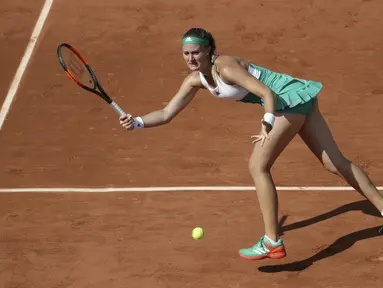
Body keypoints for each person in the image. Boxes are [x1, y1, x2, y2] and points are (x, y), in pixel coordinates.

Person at [119, 27, 383, 261]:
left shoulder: (225, 66)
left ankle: (272, 243)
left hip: (285, 98)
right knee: (334, 162)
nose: (191, 58)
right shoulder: (194, 80)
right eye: (186, 53)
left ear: (209, 50)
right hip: (298, 97)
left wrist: (266, 124)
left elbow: (266, 93)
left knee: (258, 166)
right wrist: (138, 121)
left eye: (196, 52)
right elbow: (166, 113)